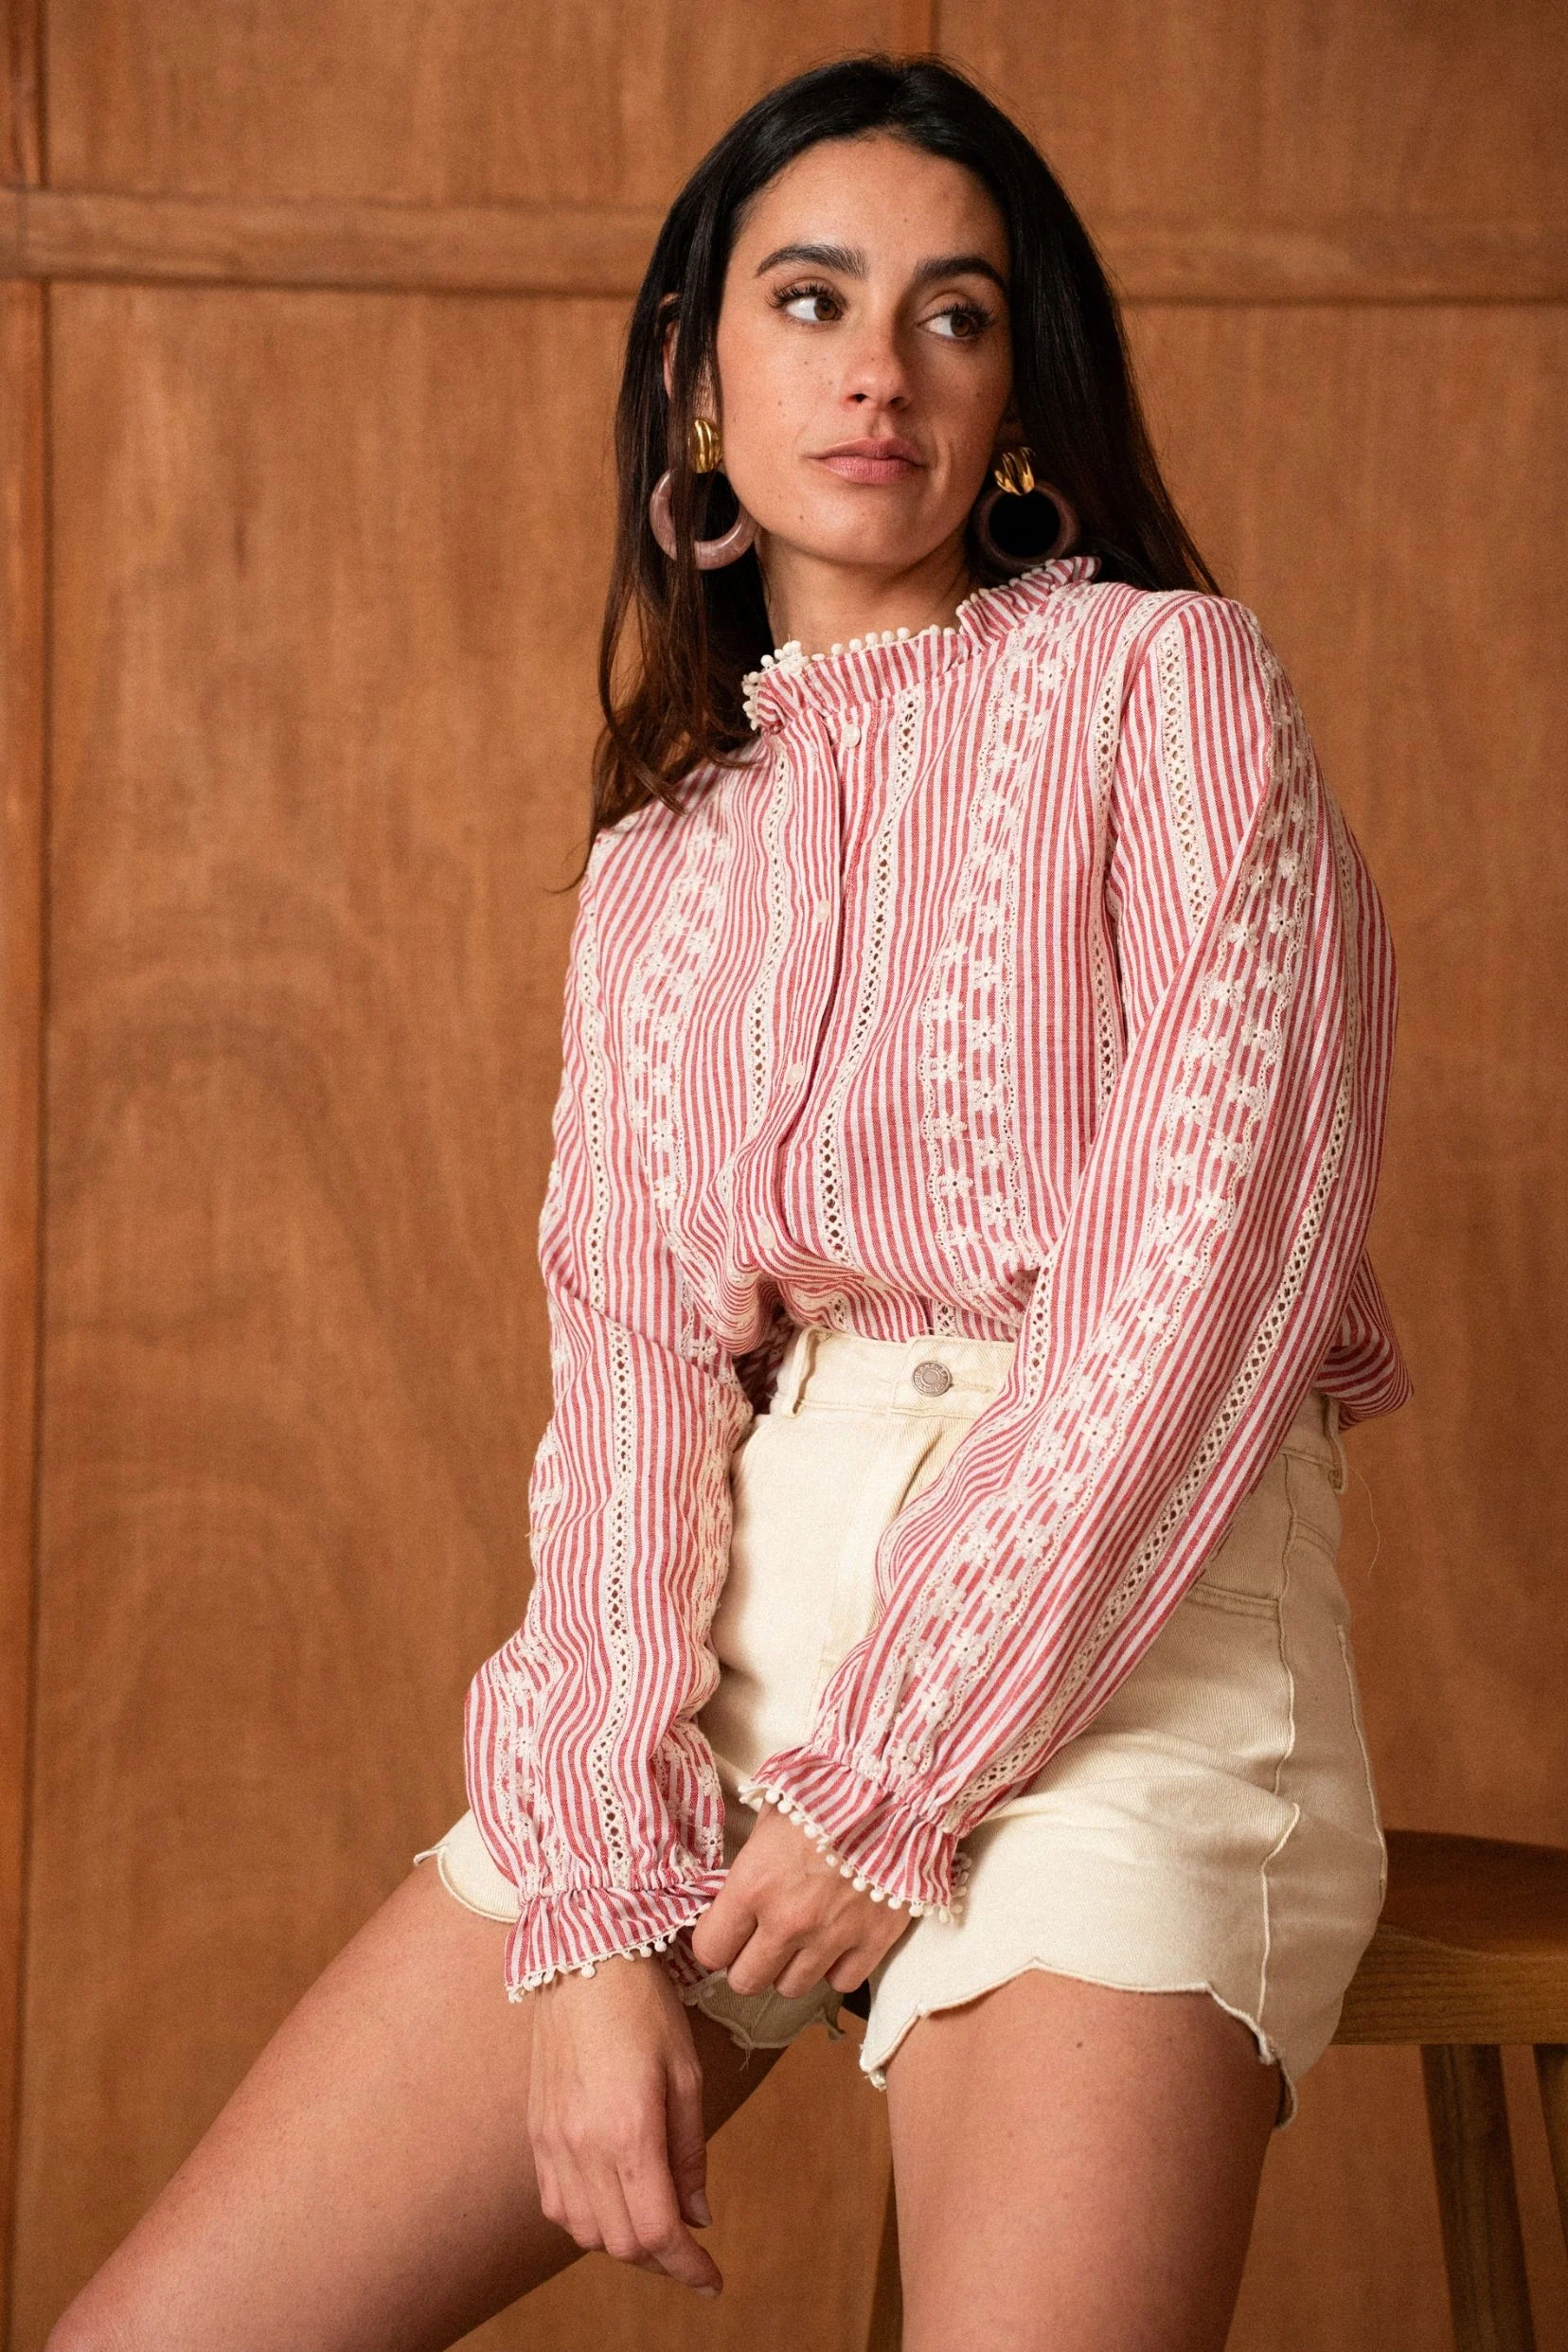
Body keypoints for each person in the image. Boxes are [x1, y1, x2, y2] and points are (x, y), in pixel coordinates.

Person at [48, 50, 1412, 2352]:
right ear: (696, 374)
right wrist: (594, 1906)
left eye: (954, 315)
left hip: (1135, 1638)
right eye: (811, 299)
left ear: (1017, 396)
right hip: (757, 1627)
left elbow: (1215, 1267)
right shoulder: (667, 860)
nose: (880, 367)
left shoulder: (1165, 684)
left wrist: (901, 1778)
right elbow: (630, 1387)